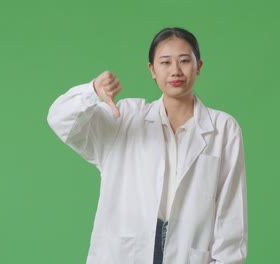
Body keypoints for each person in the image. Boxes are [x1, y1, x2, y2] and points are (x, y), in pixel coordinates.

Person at [47, 27, 248, 264]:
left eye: (184, 61)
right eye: (165, 62)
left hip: (189, 252)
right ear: (152, 69)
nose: (175, 70)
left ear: (199, 66)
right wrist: (92, 91)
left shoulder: (223, 128)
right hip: (126, 252)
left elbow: (231, 214)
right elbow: (59, 119)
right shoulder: (124, 118)